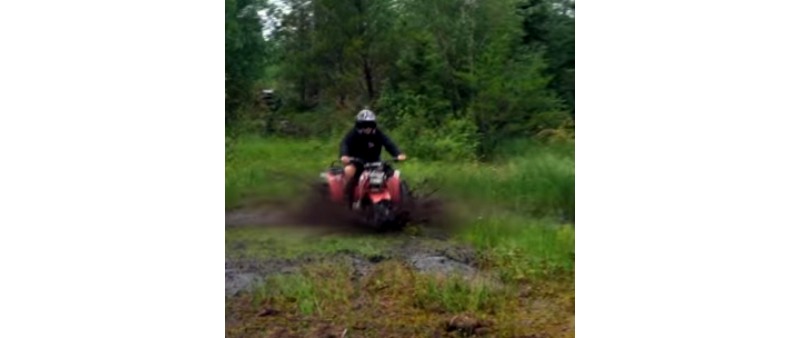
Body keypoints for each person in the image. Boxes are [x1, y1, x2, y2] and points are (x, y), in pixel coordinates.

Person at [339, 109, 407, 207]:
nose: (367, 128)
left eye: (370, 125)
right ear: (359, 125)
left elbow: (388, 143)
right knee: (349, 171)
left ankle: (400, 200)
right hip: (357, 162)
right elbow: (345, 144)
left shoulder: (377, 133)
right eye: (364, 125)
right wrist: (344, 155)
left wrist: (398, 154)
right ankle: (345, 198)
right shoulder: (353, 134)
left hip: (375, 162)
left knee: (393, 176)